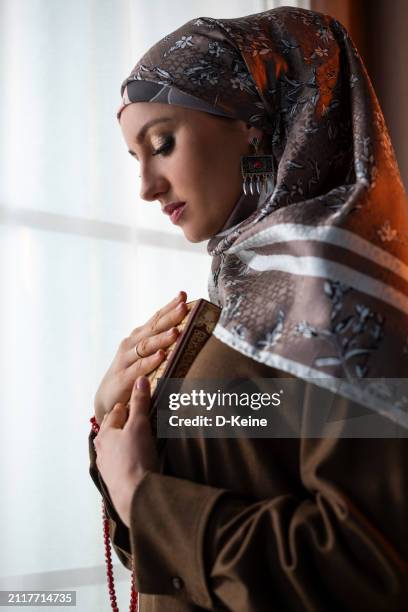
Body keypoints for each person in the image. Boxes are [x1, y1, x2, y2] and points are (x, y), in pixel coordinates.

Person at [89, 6, 408, 611]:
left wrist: (142, 496)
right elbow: (177, 558)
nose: (147, 187)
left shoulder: (340, 295)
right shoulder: (246, 294)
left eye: (162, 142)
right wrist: (118, 421)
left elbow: (369, 566)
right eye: (137, 159)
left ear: (256, 126)